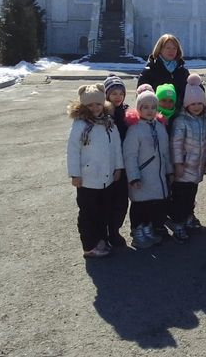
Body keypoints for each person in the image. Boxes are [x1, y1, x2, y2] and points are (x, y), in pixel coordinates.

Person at [66, 83, 124, 258]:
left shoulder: (108, 123)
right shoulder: (80, 126)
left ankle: (101, 239)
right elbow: (73, 151)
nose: (95, 108)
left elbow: (116, 147)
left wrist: (118, 167)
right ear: (84, 106)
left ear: (103, 103)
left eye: (98, 104)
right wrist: (74, 174)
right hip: (87, 179)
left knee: (103, 211)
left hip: (106, 177)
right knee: (88, 213)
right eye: (90, 105)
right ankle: (89, 245)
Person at [123, 85, 173, 249]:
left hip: (157, 176)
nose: (150, 111)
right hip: (142, 175)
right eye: (145, 107)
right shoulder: (135, 128)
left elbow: (165, 151)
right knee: (140, 206)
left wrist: (169, 171)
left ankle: (148, 229)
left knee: (153, 205)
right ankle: (137, 232)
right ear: (138, 109)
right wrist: (134, 176)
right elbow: (130, 155)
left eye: (153, 107)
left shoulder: (159, 126)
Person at [169, 74, 206, 244]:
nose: (196, 107)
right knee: (180, 197)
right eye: (192, 104)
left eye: (199, 103)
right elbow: (176, 145)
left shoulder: (204, 121)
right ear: (186, 104)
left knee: (191, 195)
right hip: (184, 167)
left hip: (197, 166)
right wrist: (178, 164)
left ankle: (188, 217)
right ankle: (178, 223)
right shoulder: (181, 121)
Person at [103, 75, 130, 248]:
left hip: (125, 163)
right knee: (107, 200)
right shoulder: (103, 115)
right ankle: (106, 231)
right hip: (108, 164)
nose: (118, 96)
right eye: (113, 93)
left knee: (122, 199)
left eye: (121, 93)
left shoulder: (128, 113)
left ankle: (115, 230)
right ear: (106, 96)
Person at [138, 34, 191, 110]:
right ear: (160, 49)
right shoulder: (150, 71)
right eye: (168, 48)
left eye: (174, 48)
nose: (171, 51)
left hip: (179, 114)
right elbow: (141, 98)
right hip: (155, 115)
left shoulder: (182, 71)